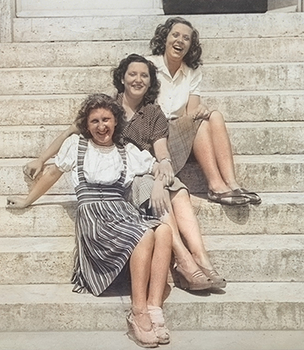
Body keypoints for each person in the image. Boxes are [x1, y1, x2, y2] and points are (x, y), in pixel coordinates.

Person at [25, 54, 224, 290]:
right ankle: (183, 259)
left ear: (151, 82)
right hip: (124, 180)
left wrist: (163, 172)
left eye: (144, 75)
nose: (138, 80)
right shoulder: (107, 109)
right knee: (151, 187)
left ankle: (201, 259)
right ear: (122, 78)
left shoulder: (153, 113)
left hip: (146, 167)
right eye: (132, 74)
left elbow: (160, 151)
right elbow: (71, 133)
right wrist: (41, 158)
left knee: (178, 191)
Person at [7, 94, 173, 347]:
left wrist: (160, 183)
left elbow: (159, 168)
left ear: (116, 121)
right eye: (94, 121)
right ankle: (137, 313)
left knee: (164, 232)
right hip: (96, 220)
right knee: (145, 233)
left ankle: (153, 308)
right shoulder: (77, 145)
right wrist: (27, 200)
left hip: (122, 213)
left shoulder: (127, 151)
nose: (101, 126)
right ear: (86, 125)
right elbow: (52, 173)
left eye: (106, 119)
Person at [147, 16, 260, 206]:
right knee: (200, 121)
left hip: (177, 131)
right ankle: (215, 185)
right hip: (155, 138)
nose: (179, 41)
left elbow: (191, 113)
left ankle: (231, 183)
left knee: (213, 115)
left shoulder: (192, 71)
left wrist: (202, 110)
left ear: (191, 45)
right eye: (175, 35)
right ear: (165, 38)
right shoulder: (148, 65)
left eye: (186, 38)